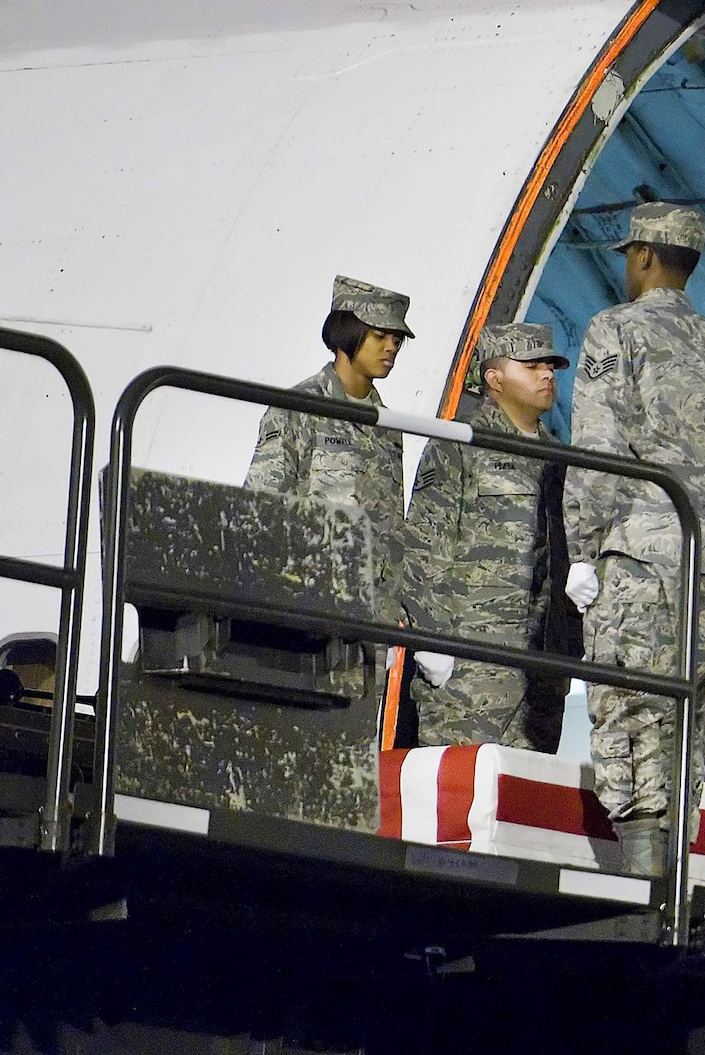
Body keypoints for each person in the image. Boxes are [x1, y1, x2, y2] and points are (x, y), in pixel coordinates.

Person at [562, 203, 705, 877]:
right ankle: (673, 874)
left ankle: (641, 877)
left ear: (643, 256)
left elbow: (598, 449)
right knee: (688, 716)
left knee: (629, 704)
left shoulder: (616, 330)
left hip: (642, 556)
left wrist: (583, 550)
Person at [400, 322, 572, 749]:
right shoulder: (459, 445)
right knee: (457, 798)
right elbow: (422, 549)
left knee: (523, 806)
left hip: (540, 674)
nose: (547, 374)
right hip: (471, 670)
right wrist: (432, 642)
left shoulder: (562, 460)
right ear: (494, 378)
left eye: (550, 365)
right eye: (532, 366)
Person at [245, 275, 413, 606]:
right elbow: (261, 503)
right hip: (308, 595)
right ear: (346, 334)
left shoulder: (387, 426)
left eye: (396, 339)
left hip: (370, 607)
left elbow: (391, 525)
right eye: (379, 335)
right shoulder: (300, 407)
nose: (391, 346)